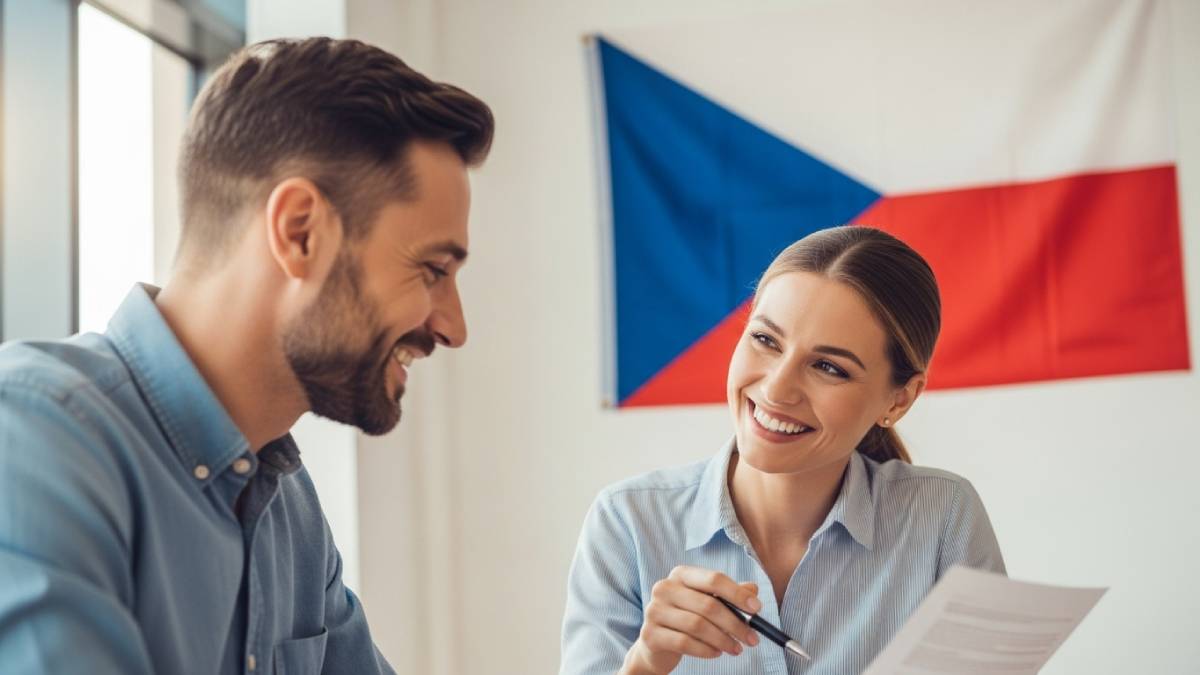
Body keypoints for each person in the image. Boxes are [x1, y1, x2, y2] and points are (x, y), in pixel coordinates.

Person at [0, 37, 492, 674]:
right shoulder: (32, 441)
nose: (453, 327)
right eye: (431, 270)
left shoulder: (290, 509)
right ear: (299, 232)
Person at [560, 226, 1005, 675]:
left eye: (829, 367)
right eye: (765, 340)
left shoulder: (944, 516)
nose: (777, 388)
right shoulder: (628, 522)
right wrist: (645, 663)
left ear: (899, 399)